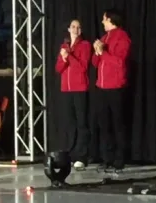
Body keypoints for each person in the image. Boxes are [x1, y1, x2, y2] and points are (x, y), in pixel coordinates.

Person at [91, 9, 131, 171]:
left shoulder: (122, 37)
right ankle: (107, 158)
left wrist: (103, 52)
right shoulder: (104, 37)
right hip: (101, 87)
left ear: (110, 19)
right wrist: (96, 52)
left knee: (118, 124)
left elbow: (119, 62)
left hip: (115, 87)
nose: (102, 22)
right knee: (104, 124)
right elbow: (95, 63)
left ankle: (119, 160)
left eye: (104, 19)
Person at [55, 19, 91, 170]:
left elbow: (82, 67)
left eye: (78, 27)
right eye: (73, 27)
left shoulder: (85, 45)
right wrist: (63, 58)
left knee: (81, 123)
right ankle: (70, 153)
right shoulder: (64, 46)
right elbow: (58, 69)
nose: (75, 29)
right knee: (70, 123)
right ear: (69, 29)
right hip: (66, 89)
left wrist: (69, 56)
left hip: (80, 88)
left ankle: (81, 156)